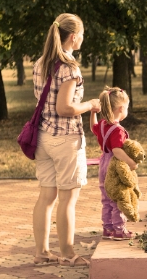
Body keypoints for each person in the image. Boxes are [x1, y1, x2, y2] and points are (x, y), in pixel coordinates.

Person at [32, 13, 101, 268]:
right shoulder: (70, 68)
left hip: (42, 138)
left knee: (46, 196)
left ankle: (41, 252)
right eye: (82, 34)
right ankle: (68, 253)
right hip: (65, 140)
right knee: (67, 199)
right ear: (73, 37)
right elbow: (65, 108)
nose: (83, 38)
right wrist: (90, 104)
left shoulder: (40, 63)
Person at [90, 86, 138, 241]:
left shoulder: (103, 124)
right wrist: (131, 162)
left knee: (106, 198)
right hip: (113, 166)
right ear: (121, 108)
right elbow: (117, 150)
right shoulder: (118, 130)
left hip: (103, 163)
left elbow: (93, 127)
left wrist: (93, 114)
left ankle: (107, 228)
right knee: (118, 197)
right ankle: (119, 230)